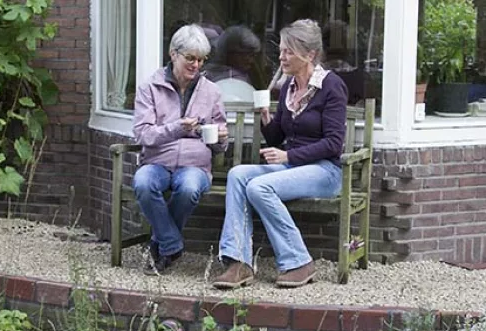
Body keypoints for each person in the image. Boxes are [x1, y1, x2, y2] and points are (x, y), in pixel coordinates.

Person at [212, 19, 348, 289]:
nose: (281, 56)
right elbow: (277, 137)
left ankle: (298, 260)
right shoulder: (288, 87)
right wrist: (266, 117)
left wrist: (288, 157)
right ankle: (239, 262)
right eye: (281, 50)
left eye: (288, 51)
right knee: (238, 175)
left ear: (309, 54)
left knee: (259, 188)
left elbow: (334, 144)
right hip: (295, 169)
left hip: (324, 171)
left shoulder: (332, 86)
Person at [132, 24, 229, 274]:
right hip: (156, 163)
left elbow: (220, 145)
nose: (196, 65)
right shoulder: (149, 88)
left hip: (194, 166)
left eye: (200, 59)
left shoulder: (212, 91)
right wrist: (176, 129)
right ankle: (171, 244)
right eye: (190, 58)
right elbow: (142, 133)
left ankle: (160, 245)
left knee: (189, 188)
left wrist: (220, 137)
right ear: (173, 54)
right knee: (143, 183)